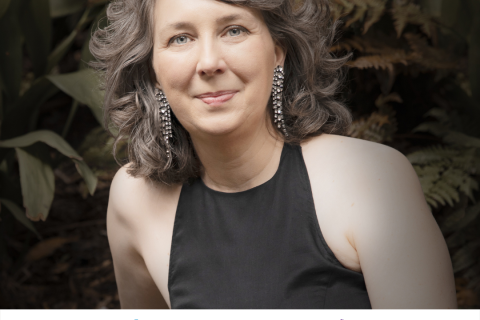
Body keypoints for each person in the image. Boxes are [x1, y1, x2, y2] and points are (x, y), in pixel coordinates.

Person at [90, 0, 458, 309]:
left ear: (278, 52)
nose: (208, 62)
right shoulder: (134, 198)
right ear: (153, 72)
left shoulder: (372, 179)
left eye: (233, 30)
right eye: (180, 38)